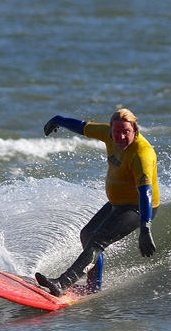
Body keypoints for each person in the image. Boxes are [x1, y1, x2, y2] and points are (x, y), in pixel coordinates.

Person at [36, 108, 159, 297]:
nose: (120, 137)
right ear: (110, 130)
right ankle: (94, 287)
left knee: (96, 242)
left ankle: (62, 283)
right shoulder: (109, 134)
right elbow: (83, 127)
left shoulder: (142, 155)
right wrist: (57, 120)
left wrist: (145, 228)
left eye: (126, 131)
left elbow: (146, 193)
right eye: (116, 132)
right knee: (87, 235)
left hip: (139, 207)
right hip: (118, 202)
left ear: (135, 130)